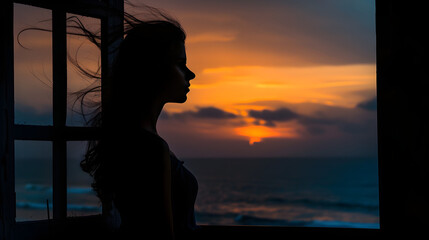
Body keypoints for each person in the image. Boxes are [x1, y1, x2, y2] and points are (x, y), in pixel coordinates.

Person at [73, 6, 198, 240]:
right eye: (181, 64)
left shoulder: (135, 138)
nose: (190, 74)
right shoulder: (150, 147)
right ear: (155, 69)